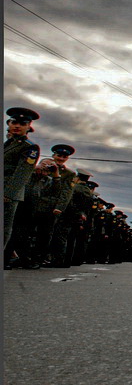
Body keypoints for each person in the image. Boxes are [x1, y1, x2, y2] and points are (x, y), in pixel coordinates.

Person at [27, 144, 76, 268]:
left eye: (64, 157)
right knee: (26, 231)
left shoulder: (69, 173)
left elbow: (66, 192)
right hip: (32, 203)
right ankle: (25, 257)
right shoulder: (43, 166)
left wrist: (59, 207)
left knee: (44, 234)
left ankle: (37, 259)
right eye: (59, 155)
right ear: (54, 155)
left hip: (50, 207)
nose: (61, 158)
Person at [4, 107, 40, 260]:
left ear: (28, 127)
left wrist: (8, 194)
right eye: (14, 122)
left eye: (22, 123)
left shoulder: (30, 147)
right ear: (9, 123)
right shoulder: (7, 144)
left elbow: (22, 172)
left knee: (4, 227)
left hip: (7, 193)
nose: (17, 126)